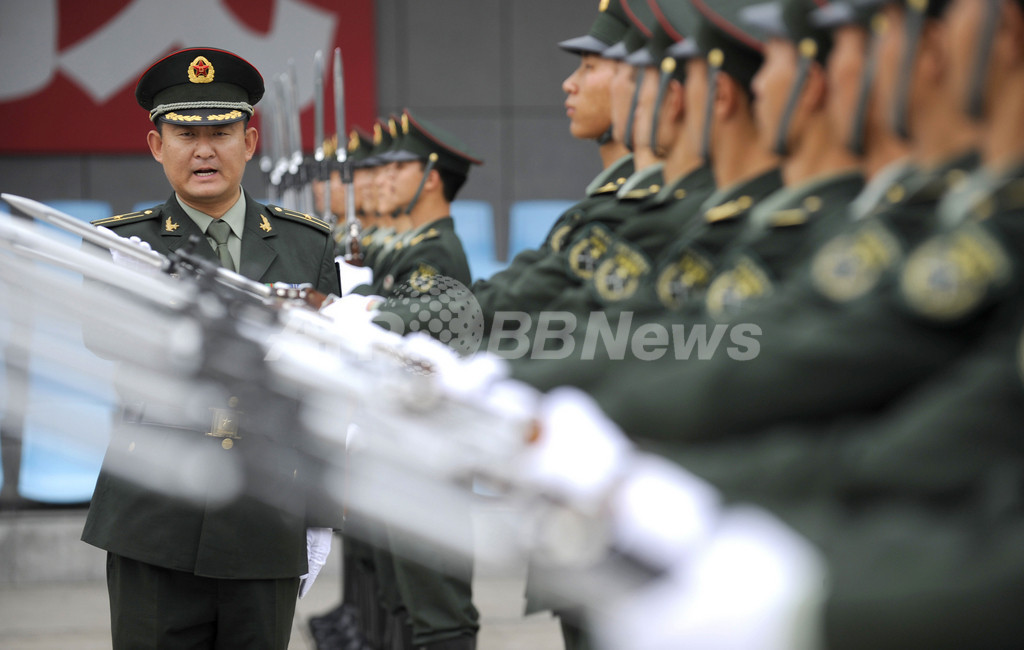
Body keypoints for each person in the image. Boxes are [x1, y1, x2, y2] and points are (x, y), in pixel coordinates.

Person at [80, 47, 339, 649]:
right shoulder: (124, 247)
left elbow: (328, 379)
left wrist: (325, 503)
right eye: (186, 134)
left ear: (249, 142)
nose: (204, 150)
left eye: (221, 133)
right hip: (155, 516)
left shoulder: (308, 246)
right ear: (156, 145)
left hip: (266, 513)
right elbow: (106, 336)